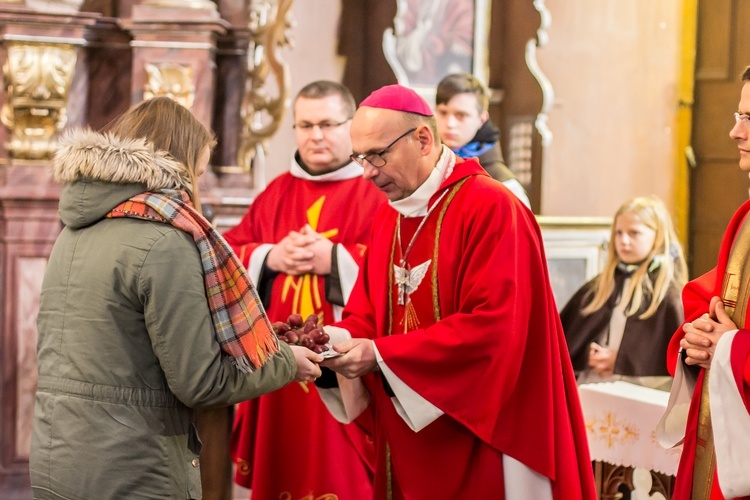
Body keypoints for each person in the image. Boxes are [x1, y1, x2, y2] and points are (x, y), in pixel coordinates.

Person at [29, 97, 322, 499]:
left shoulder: (76, 228)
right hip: (132, 469)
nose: (196, 189)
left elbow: (121, 345)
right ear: (176, 168)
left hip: (60, 455)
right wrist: (287, 364)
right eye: (196, 174)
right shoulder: (164, 241)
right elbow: (200, 384)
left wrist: (256, 339)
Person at [317, 84, 596, 499]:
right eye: (360, 158)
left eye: (377, 155)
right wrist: (332, 342)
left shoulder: (493, 207)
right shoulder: (390, 219)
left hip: (482, 434)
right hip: (406, 434)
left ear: (423, 139)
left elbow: (497, 330)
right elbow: (368, 315)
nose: (368, 173)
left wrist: (381, 356)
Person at [225, 81, 384, 499]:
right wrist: (268, 257)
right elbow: (223, 258)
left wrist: (335, 260)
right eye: (306, 124)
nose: (316, 135)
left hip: (342, 370)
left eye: (328, 124)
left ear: (351, 126)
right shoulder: (276, 192)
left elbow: (395, 269)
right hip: (276, 368)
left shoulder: (378, 191)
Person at [657, 69, 750, 500]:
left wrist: (732, 349)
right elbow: (713, 302)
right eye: (738, 115)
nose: (735, 131)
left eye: (749, 119)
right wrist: (694, 338)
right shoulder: (746, 216)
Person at [560, 195, 688, 389]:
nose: (624, 241)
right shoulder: (598, 287)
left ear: (657, 236)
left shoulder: (667, 294)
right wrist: (588, 354)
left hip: (639, 392)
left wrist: (621, 360)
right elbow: (568, 339)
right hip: (593, 387)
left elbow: (674, 361)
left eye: (634, 233)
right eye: (618, 233)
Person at [435, 72, 531, 208]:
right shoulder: (429, 170)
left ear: (481, 119)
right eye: (443, 112)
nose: (450, 123)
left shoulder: (504, 184)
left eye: (461, 115)